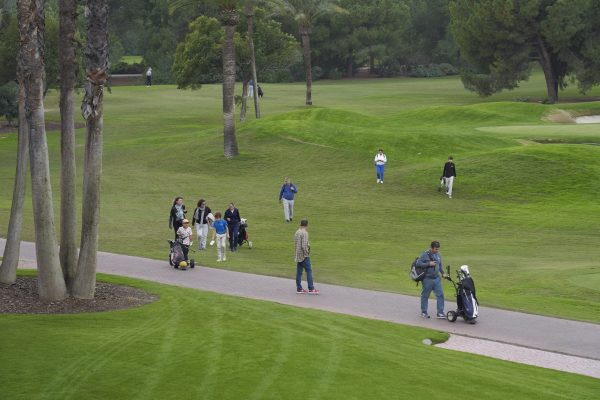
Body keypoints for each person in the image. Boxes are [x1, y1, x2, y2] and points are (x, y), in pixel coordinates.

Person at [416, 241, 447, 319]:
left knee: (440, 295)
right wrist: (429, 264)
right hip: (427, 279)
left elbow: (440, 266)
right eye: (436, 249)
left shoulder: (438, 254)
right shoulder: (425, 254)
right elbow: (418, 264)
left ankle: (440, 313)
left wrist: (443, 273)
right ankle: (424, 312)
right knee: (425, 296)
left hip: (437, 279)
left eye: (438, 249)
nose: (437, 251)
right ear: (432, 248)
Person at [294, 219, 319, 294]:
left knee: (299, 272)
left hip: (298, 255)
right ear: (307, 225)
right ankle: (311, 288)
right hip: (304, 256)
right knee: (309, 271)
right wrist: (307, 254)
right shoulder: (304, 233)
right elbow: (304, 245)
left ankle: (299, 288)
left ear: (300, 224)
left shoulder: (297, 232)